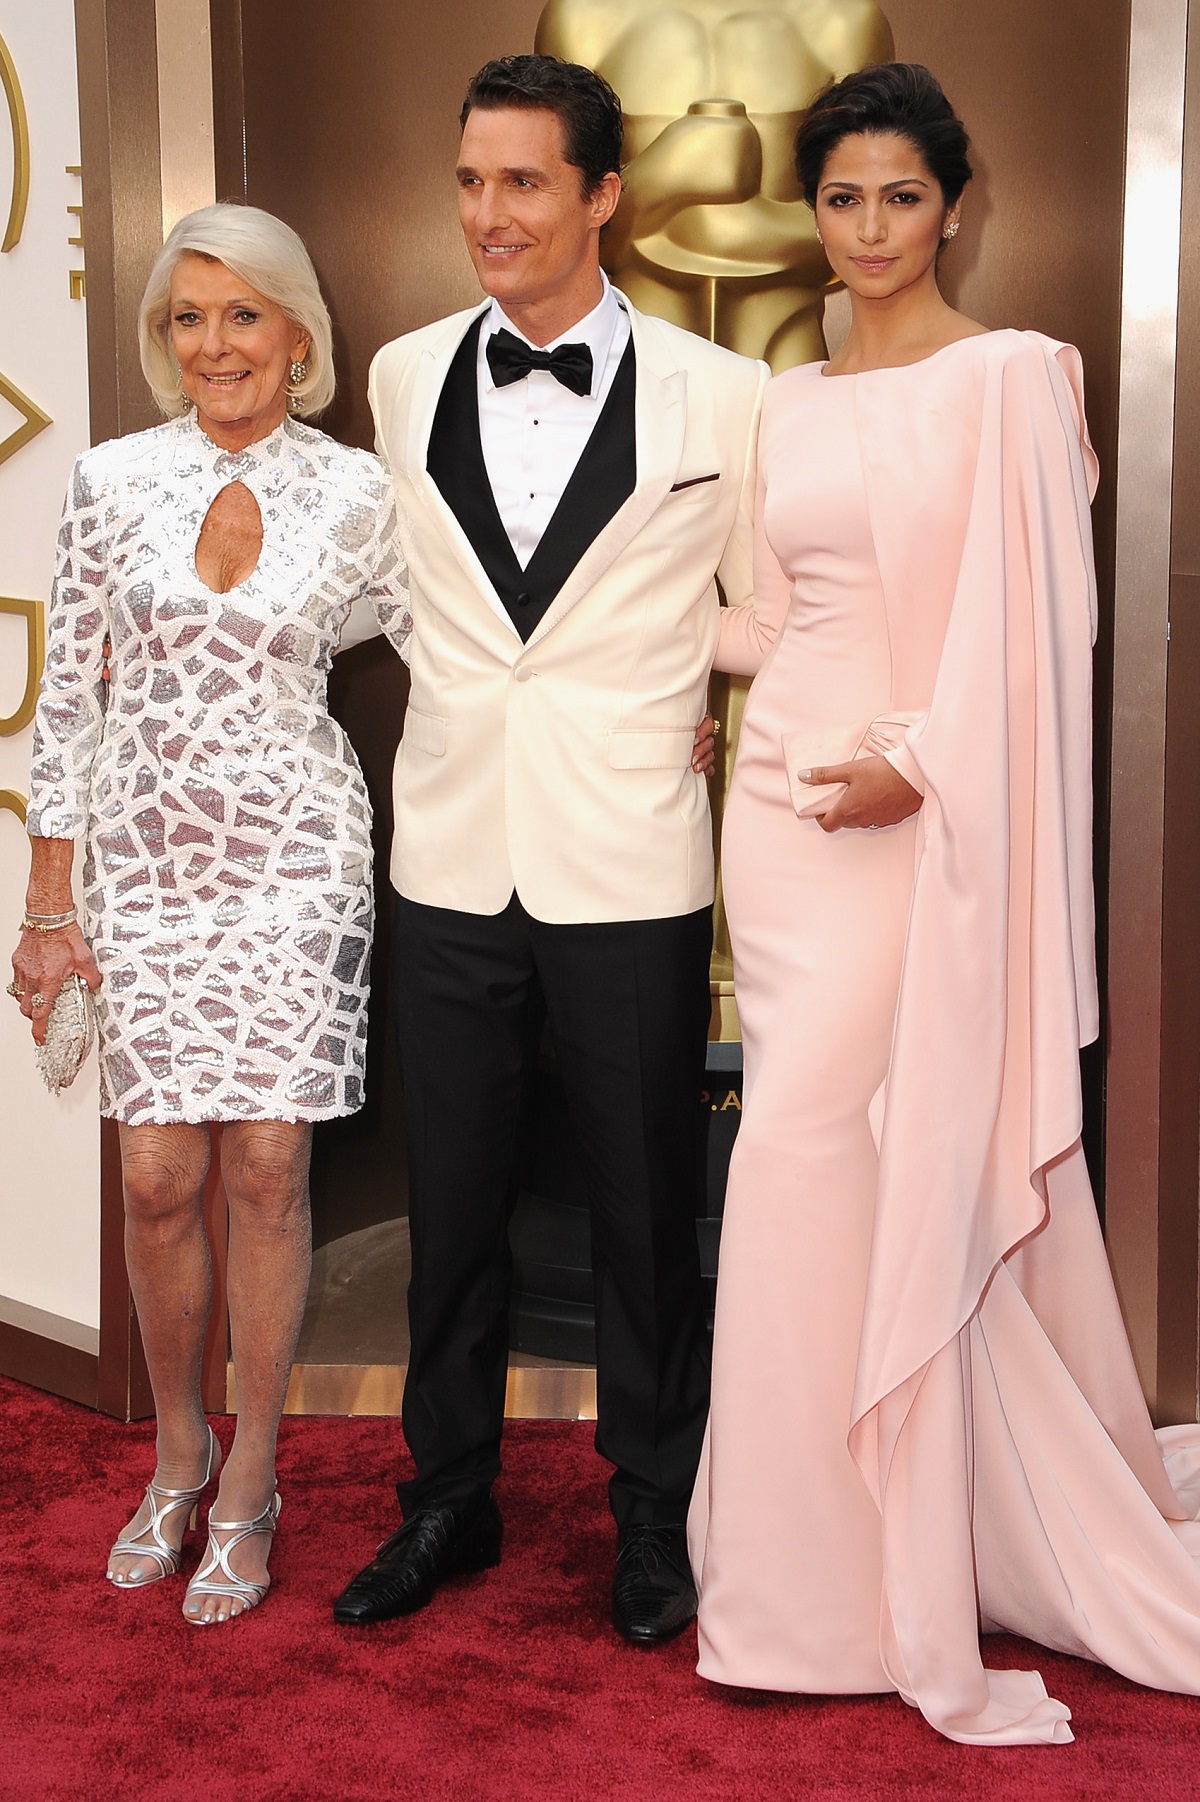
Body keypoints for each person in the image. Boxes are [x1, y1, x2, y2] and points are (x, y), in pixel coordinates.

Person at [688, 63, 1200, 1746]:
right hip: (781, 829)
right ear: (814, 219)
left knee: (842, 1151)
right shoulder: (792, 400)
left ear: (956, 204)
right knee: (793, 1156)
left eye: (902, 195)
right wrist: (638, 639)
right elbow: (772, 611)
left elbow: (1036, 632)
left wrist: (917, 758)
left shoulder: (1018, 379)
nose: (871, 229)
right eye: (842, 199)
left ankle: (878, 1568)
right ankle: (796, 1570)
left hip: (926, 822)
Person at [333, 54, 766, 1645]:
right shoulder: (396, 372)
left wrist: (689, 690)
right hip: (448, 850)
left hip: (633, 853)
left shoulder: (729, 398)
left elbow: (767, 608)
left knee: (651, 1205)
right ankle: (447, 1493)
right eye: (469, 181)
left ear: (602, 195)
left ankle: (655, 1509)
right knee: (449, 1201)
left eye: (524, 182)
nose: (490, 215)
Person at [10, 203, 411, 1626]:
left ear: (298, 331)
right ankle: (174, 1456)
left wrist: (646, 717)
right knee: (157, 1176)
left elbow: (478, 659)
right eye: (188, 316)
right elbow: (66, 700)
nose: (215, 343)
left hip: (298, 860)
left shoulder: (364, 492)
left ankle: (251, 1473)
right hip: (143, 864)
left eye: (244, 314)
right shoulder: (111, 481)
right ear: (161, 337)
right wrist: (49, 901)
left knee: (268, 1172)